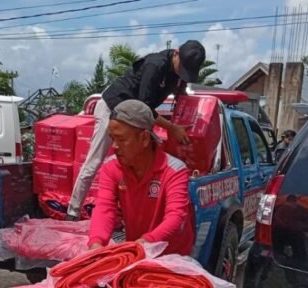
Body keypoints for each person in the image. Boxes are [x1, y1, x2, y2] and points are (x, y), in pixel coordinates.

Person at [67, 40, 206, 220]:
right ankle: (73, 211)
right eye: (183, 69)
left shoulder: (178, 72)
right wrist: (172, 128)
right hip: (113, 107)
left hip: (134, 114)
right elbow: (145, 107)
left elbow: (181, 93)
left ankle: (134, 214)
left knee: (145, 160)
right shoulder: (154, 65)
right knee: (95, 161)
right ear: (176, 53)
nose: (182, 74)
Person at [88, 100, 194, 256]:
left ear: (144, 138)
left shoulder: (174, 170)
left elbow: (175, 216)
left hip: (172, 254)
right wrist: (96, 243)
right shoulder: (110, 167)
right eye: (113, 138)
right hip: (138, 249)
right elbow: (104, 208)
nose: (115, 146)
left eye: (122, 139)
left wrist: (146, 242)